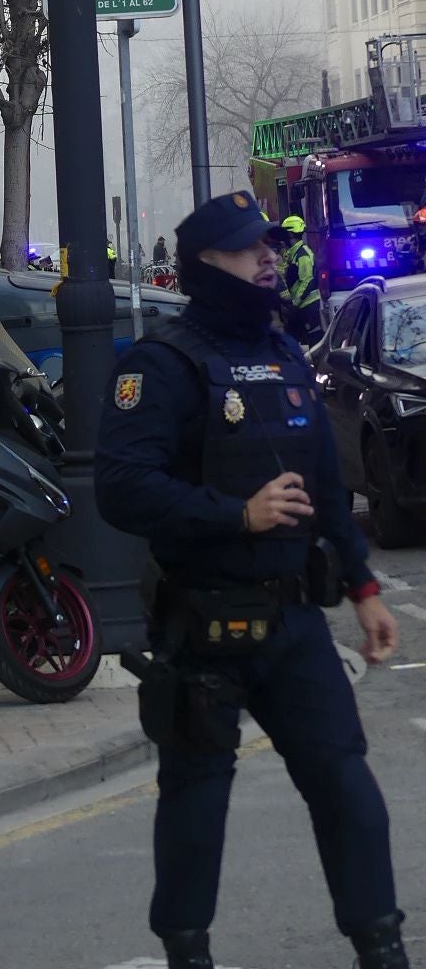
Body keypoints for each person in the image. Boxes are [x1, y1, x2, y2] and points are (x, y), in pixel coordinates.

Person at [95, 190, 406, 969]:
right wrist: (235, 515)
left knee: (348, 793)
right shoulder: (162, 363)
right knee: (196, 803)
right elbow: (121, 487)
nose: (268, 257)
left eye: (269, 244)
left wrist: (364, 588)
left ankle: (382, 948)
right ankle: (187, 952)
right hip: (204, 625)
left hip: (297, 623)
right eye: (248, 247)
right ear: (206, 263)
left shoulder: (284, 354)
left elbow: (328, 490)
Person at [278, 212, 323, 344]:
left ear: (290, 234)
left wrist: (295, 302)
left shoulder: (302, 254)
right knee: (292, 340)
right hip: (299, 305)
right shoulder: (291, 252)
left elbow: (307, 280)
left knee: (311, 341)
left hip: (308, 305)